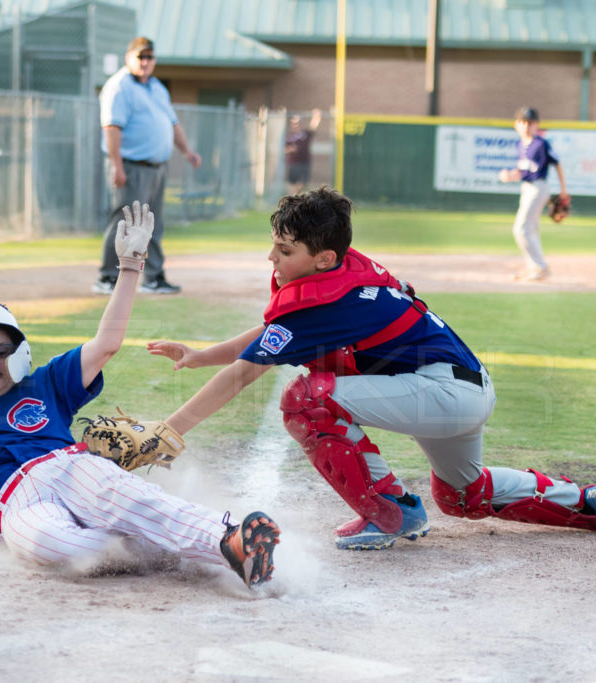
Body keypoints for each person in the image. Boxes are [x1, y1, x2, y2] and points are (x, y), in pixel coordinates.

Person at [0, 202, 281, 589]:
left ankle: (231, 541)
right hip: (13, 504)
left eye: (0, 351)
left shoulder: (46, 383)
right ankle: (160, 549)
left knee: (122, 494)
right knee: (52, 543)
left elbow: (105, 344)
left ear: (20, 351)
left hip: (67, 468)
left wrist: (129, 267)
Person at [148, 187, 596, 551]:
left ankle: (392, 512)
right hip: (458, 387)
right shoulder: (341, 273)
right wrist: (201, 355)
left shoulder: (328, 304)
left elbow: (244, 373)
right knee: (463, 495)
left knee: (307, 402)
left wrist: (166, 432)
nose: (272, 258)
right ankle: (586, 503)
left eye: (285, 249)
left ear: (324, 258)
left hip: (441, 393)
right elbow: (273, 332)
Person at [92, 37, 202, 297]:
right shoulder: (119, 86)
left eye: (149, 57)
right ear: (129, 57)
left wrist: (187, 151)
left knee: (153, 224)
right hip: (131, 166)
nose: (145, 62)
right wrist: (117, 166)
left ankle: (153, 277)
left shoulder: (156, 88)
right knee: (125, 222)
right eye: (140, 57)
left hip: (157, 167)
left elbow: (172, 123)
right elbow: (111, 128)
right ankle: (108, 276)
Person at [498, 107, 568, 282]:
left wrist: (564, 190)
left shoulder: (541, 144)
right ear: (516, 125)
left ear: (536, 125)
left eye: (530, 122)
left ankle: (541, 267)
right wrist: (509, 176)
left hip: (538, 188)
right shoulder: (521, 145)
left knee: (521, 228)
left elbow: (557, 163)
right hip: (527, 188)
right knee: (531, 229)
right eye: (523, 122)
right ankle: (534, 267)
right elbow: (523, 171)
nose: (526, 125)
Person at [284, 108, 322, 195]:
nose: (295, 125)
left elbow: (313, 126)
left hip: (304, 162)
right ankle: (293, 199)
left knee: (303, 183)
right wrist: (291, 149)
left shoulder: (305, 133)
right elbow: (284, 150)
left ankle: (298, 196)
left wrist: (316, 116)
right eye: (294, 123)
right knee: (292, 183)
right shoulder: (289, 136)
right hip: (293, 163)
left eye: (297, 123)